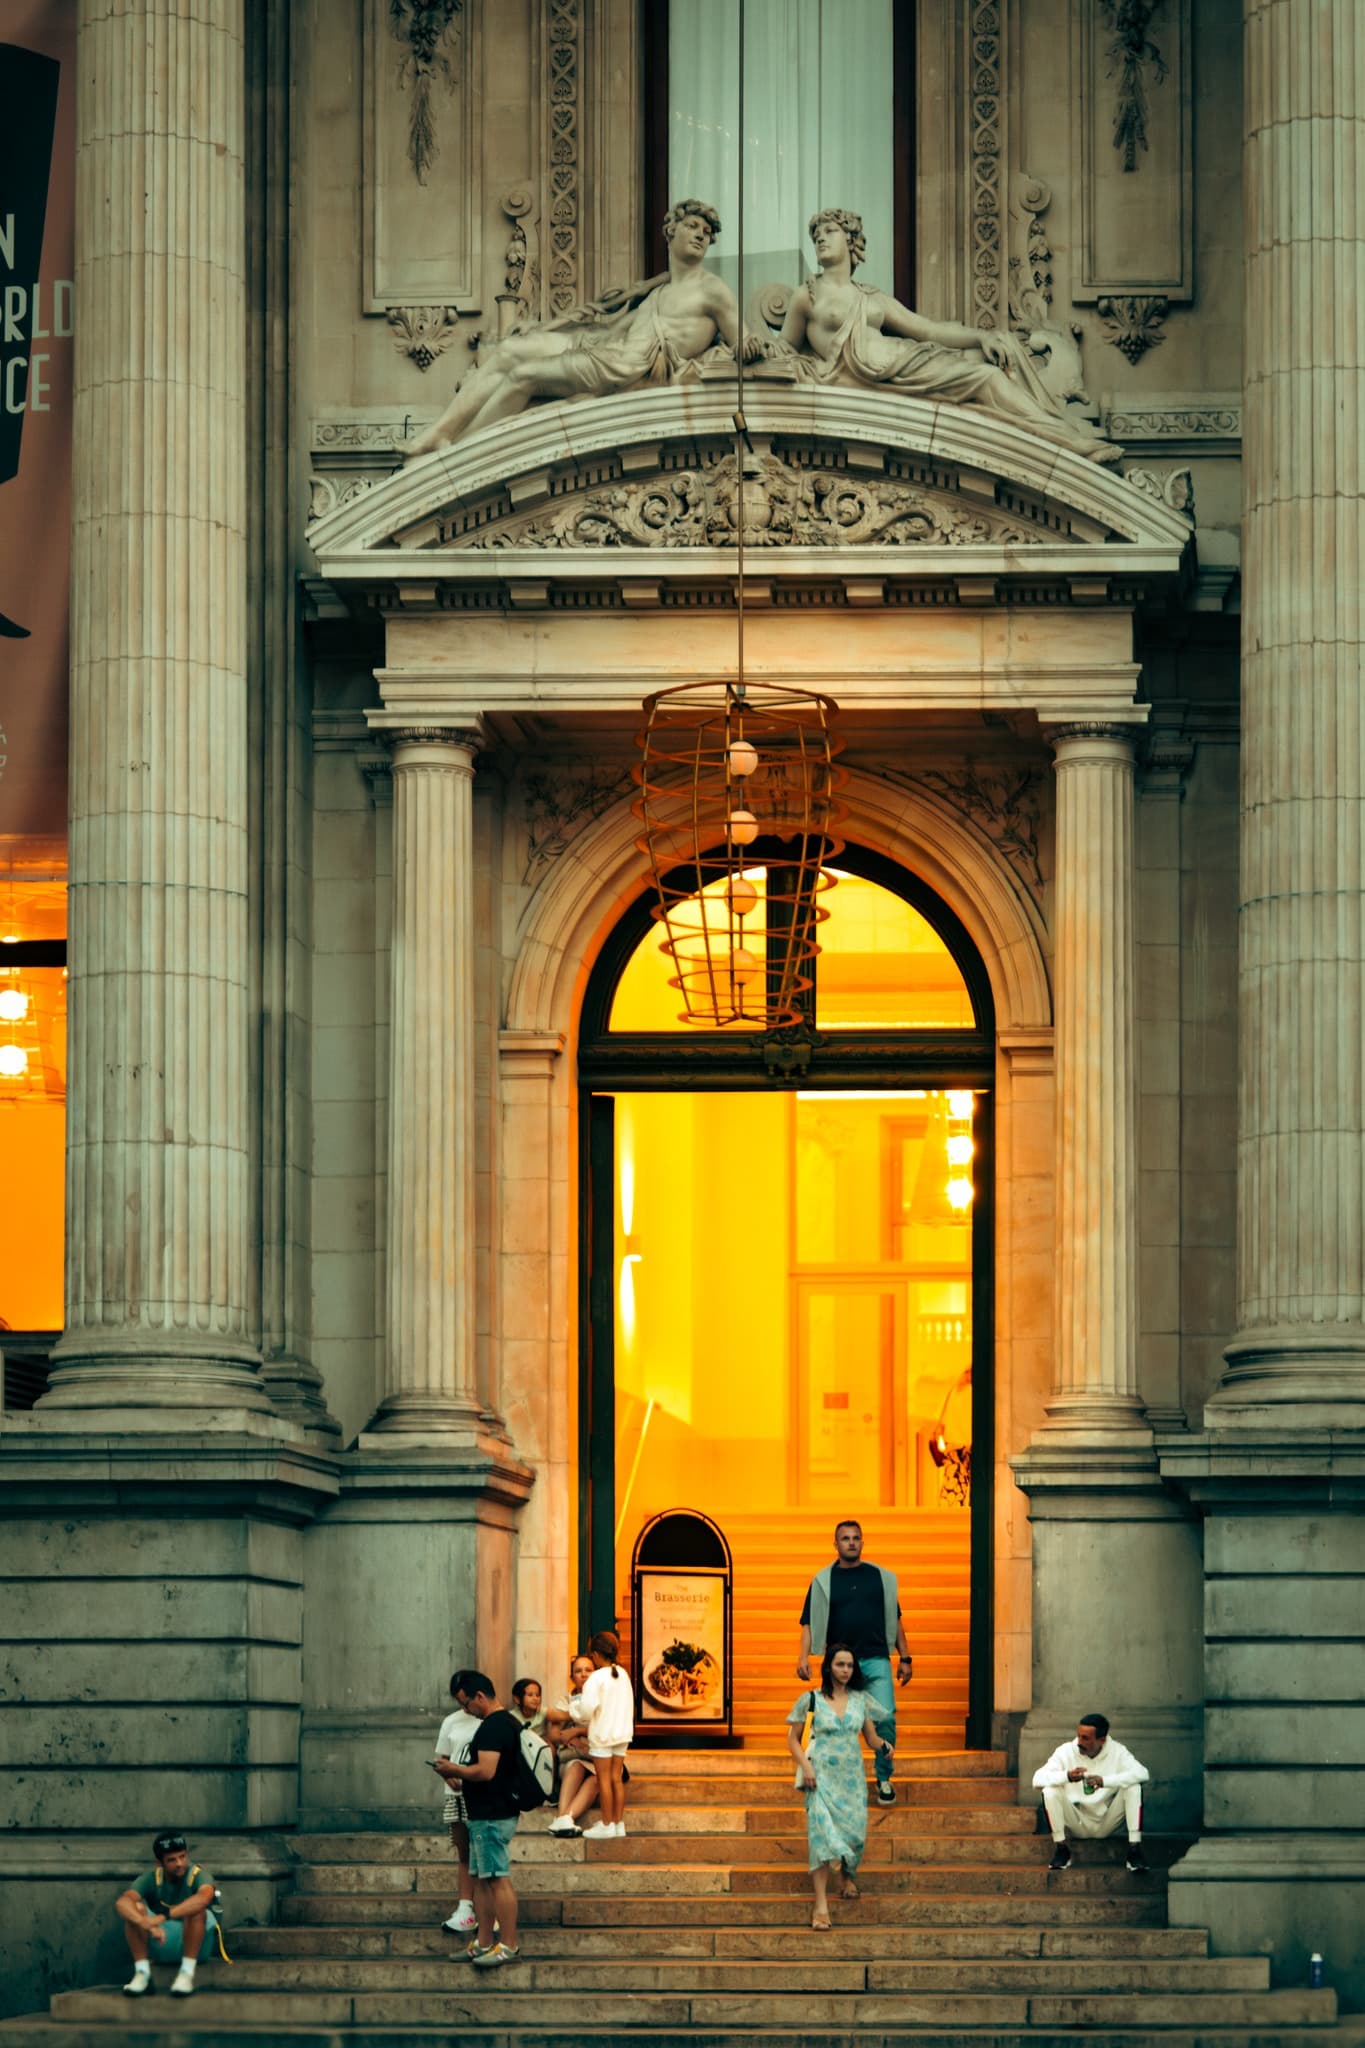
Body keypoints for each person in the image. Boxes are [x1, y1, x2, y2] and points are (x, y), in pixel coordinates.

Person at [406, 199, 761, 454]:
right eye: (692, 226)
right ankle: (441, 432)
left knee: (523, 376)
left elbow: (741, 340)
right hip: (606, 350)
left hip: (622, 368)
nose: (701, 235)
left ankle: (460, 452)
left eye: (707, 232)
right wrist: (544, 332)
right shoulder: (660, 290)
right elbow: (609, 330)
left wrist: (748, 345)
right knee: (511, 351)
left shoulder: (712, 290)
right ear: (671, 231)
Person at [779, 208, 1119, 464]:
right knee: (984, 379)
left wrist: (978, 338)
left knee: (986, 373)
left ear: (850, 239)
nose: (821, 238)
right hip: (871, 379)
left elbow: (927, 329)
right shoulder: (807, 295)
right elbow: (783, 349)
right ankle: (1066, 442)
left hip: (907, 362)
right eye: (816, 235)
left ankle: (1060, 436)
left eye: (829, 231)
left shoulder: (871, 296)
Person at [797, 1519, 911, 1804]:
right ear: (835, 1544)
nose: (851, 1542)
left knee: (884, 1718)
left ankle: (884, 1778)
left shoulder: (880, 1578)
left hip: (875, 1659)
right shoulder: (823, 1580)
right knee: (832, 1721)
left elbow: (895, 1620)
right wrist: (803, 1656)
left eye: (855, 1538)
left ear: (862, 1542)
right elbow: (808, 1623)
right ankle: (830, 1778)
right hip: (838, 1662)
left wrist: (905, 1657)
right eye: (845, 1538)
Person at [787, 1643, 892, 1930]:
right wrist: (806, 1767)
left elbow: (870, 1737)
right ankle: (821, 1905)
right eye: (839, 1665)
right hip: (819, 1779)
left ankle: (847, 1875)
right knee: (820, 1839)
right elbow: (793, 1739)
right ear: (828, 1667)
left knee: (855, 1835)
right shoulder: (811, 1700)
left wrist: (884, 1746)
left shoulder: (861, 1700)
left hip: (852, 1781)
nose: (845, 1670)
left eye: (849, 1665)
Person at [438, 1671, 523, 1968]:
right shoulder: (505, 1723)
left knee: (497, 1879)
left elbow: (486, 1771)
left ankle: (509, 1944)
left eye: (466, 1704)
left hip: (491, 1815)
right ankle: (484, 1941)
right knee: (482, 1881)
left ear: (479, 1697)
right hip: (486, 1813)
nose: (465, 1711)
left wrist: (454, 1770)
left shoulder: (493, 1726)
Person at [1032, 1712, 1150, 1873]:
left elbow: (1143, 1773)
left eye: (1086, 1738)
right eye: (1079, 1736)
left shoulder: (1117, 1751)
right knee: (1050, 1791)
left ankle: (1134, 1850)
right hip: (1077, 1822)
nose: (1079, 1742)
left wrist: (1105, 1781)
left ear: (1102, 1740)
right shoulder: (1066, 1751)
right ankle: (1061, 1849)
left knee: (1134, 1787)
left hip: (1107, 1821)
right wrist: (1066, 1776)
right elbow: (1037, 1779)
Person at [115, 1831, 222, 1998]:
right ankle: (142, 1973)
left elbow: (203, 1899)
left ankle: (186, 1974)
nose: (179, 1863)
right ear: (159, 1863)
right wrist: (145, 1923)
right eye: (172, 1860)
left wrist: (160, 1918)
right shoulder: (152, 1878)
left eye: (182, 1856)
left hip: (197, 1945)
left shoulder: (197, 1875)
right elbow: (122, 1902)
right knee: (134, 1908)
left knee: (196, 1909)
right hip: (161, 1940)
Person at [569, 1629, 634, 1840]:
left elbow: (586, 1711)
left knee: (603, 1779)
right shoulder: (623, 1674)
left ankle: (606, 1824)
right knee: (616, 1779)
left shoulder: (596, 1678)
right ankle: (618, 1823)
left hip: (602, 1735)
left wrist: (574, 1708)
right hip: (622, 1734)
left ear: (595, 1654)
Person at [432, 1668, 480, 1934]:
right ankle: (465, 1907)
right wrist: (447, 1776)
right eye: (459, 1701)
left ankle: (488, 1911)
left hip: (483, 1797)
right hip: (457, 1795)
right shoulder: (452, 1721)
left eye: (466, 1699)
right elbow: (442, 1758)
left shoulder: (491, 1720)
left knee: (484, 1856)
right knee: (464, 1853)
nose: (464, 1706)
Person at [545, 1653, 601, 1838]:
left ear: (596, 1673)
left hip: (595, 1756)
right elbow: (553, 1734)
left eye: (588, 1670)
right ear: (572, 1677)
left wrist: (578, 1731)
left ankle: (564, 1818)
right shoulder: (565, 1701)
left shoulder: (602, 1700)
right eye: (578, 1671)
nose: (584, 1674)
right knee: (576, 1766)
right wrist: (572, 1741)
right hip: (571, 1757)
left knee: (596, 1778)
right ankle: (564, 1818)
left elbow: (604, 1729)